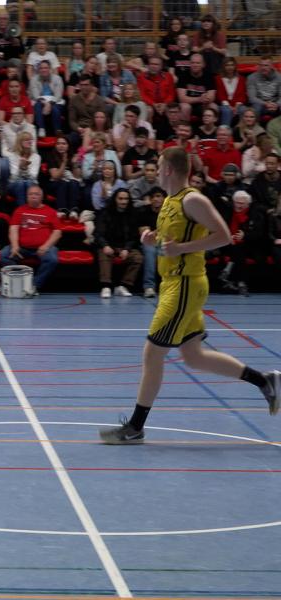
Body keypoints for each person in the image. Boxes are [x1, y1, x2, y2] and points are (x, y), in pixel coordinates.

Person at [99, 147, 281, 444]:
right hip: (174, 283)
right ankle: (265, 381)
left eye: (159, 166)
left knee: (152, 353)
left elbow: (223, 236)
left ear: (168, 169)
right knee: (194, 356)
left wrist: (181, 249)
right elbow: (173, 241)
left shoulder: (192, 199)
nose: (156, 170)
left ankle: (135, 427)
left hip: (185, 285)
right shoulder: (169, 201)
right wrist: (153, 240)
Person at [0, 184, 63, 289]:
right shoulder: (20, 210)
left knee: (52, 259)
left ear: (42, 197)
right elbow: (13, 229)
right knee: (4, 255)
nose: (33, 196)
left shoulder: (51, 212)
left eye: (36, 194)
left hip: (43, 248)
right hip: (22, 248)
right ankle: (19, 280)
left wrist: (46, 246)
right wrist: (15, 246)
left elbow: (57, 232)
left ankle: (33, 285)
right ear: (27, 196)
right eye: (31, 194)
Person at [96, 188, 143, 298]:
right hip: (108, 246)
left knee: (138, 258)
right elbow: (98, 234)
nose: (123, 201)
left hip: (124, 247)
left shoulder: (133, 214)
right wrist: (105, 246)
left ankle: (124, 286)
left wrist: (127, 249)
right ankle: (106, 286)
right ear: (115, 199)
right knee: (104, 254)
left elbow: (134, 237)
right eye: (120, 199)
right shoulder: (105, 213)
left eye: (126, 199)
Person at [136, 186, 165, 297]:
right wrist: (160, 231)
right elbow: (145, 236)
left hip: (164, 241)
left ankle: (168, 286)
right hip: (146, 243)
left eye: (158, 196)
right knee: (150, 250)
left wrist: (157, 233)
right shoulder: (143, 211)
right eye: (153, 197)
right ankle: (149, 287)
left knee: (166, 249)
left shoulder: (169, 213)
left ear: (164, 199)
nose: (156, 199)